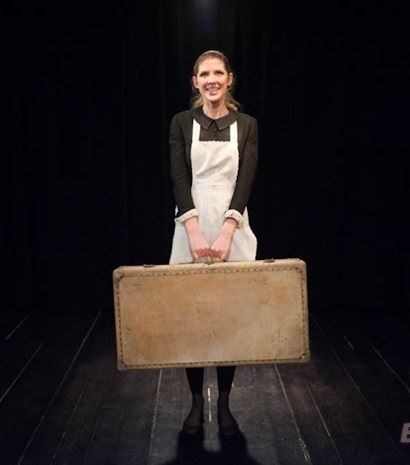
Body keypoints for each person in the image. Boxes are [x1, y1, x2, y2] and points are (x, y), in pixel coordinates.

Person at [168, 50, 259, 436]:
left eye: (218, 73)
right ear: (195, 81)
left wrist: (226, 231)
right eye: (204, 74)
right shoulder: (181, 122)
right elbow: (178, 177)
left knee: (228, 319)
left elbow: (246, 180)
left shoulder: (247, 124)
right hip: (190, 219)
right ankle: (195, 401)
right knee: (192, 318)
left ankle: (223, 402)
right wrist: (192, 230)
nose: (211, 80)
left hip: (232, 222)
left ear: (229, 78)